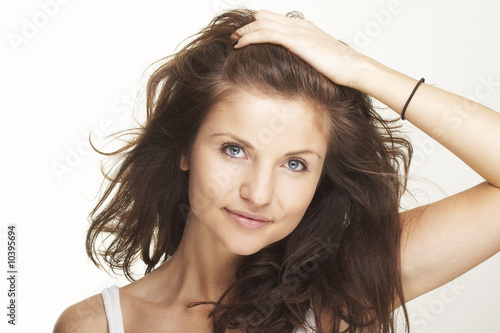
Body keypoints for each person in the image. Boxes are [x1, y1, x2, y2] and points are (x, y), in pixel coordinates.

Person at [53, 9, 500, 333]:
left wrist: (360, 69)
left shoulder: (339, 289)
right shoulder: (93, 325)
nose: (259, 192)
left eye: (294, 164)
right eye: (233, 150)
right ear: (185, 149)